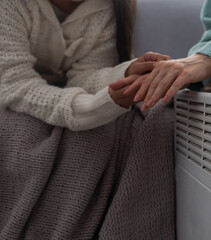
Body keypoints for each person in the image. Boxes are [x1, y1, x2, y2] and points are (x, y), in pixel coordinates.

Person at [0, 0, 175, 239]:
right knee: (22, 130)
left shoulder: (105, 7)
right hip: (9, 89)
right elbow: (14, 83)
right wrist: (93, 107)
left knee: (141, 124)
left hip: (56, 92)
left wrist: (123, 74)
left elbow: (84, 75)